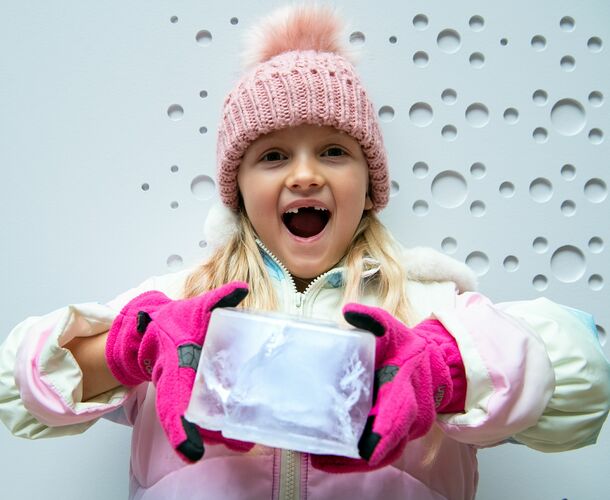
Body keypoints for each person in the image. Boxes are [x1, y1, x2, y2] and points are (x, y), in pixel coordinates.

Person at [1, 4, 609, 499]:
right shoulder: (180, 305)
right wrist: (129, 347)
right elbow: (19, 385)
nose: (304, 176)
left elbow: (584, 382)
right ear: (236, 189)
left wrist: (449, 370)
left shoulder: (431, 311)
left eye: (334, 151)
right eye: (271, 156)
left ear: (370, 185)